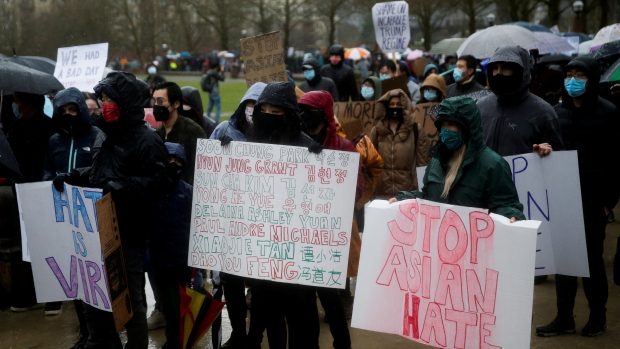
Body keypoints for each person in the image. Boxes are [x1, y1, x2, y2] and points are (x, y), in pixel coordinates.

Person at [56, 71, 169, 349]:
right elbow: (100, 173)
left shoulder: (148, 140)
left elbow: (158, 185)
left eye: (109, 98)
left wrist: (119, 187)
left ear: (125, 102)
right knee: (99, 299)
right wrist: (75, 175)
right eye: (102, 98)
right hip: (98, 230)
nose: (104, 103)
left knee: (130, 301)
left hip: (129, 234)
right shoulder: (105, 136)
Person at [536, 56, 620, 338]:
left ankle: (598, 317)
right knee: (564, 261)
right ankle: (564, 317)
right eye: (569, 74)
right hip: (562, 197)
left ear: (592, 79)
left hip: (593, 200)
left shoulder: (609, 113)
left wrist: (609, 201)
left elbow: (616, 161)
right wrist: (542, 149)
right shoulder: (556, 113)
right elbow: (548, 147)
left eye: (579, 75)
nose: (572, 80)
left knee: (593, 262)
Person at [245, 82, 321, 349]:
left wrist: (318, 163)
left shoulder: (307, 147)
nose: (267, 114)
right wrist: (228, 156)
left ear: (287, 114)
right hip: (264, 259)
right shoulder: (250, 146)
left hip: (296, 259)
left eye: (274, 111)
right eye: (263, 109)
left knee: (301, 323)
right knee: (270, 320)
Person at [299, 90, 364, 349]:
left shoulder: (344, 148)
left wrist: (326, 165)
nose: (304, 116)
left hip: (328, 239)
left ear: (324, 114)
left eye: (309, 111)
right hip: (302, 236)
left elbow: (356, 191)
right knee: (306, 306)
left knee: (332, 302)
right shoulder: (295, 145)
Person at [391, 97, 525, 223]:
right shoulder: (436, 161)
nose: (445, 130)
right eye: (442, 125)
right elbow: (427, 197)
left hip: (474, 245)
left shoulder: (493, 165)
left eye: (450, 125)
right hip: (438, 243)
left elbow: (506, 205)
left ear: (467, 128)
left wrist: (511, 215)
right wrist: (404, 199)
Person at [42, 87, 105, 347]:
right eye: (63, 110)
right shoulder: (54, 140)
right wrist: (50, 180)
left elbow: (101, 168)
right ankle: (85, 333)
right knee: (75, 278)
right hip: (64, 217)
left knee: (96, 278)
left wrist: (77, 175)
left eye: (73, 109)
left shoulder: (97, 135)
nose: (68, 114)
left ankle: (102, 332)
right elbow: (46, 169)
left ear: (80, 110)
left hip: (91, 218)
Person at [208, 82, 267, 349]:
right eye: (250, 105)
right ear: (243, 105)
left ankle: (255, 336)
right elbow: (206, 168)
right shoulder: (224, 129)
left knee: (260, 284)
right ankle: (239, 333)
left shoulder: (273, 134)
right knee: (231, 281)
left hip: (261, 222)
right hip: (231, 220)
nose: (253, 111)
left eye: (259, 106)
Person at [7, 92, 52, 313]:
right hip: (22, 189)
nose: (17, 106)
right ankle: (31, 293)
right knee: (26, 243)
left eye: (20, 102)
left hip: (42, 189)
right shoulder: (16, 128)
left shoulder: (47, 127)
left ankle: (51, 294)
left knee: (44, 240)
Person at [477, 46, 563, 157]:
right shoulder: (481, 107)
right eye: (495, 68)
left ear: (521, 71)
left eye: (505, 68)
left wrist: (545, 153)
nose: (498, 73)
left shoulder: (543, 112)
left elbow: (558, 159)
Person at [149, 142, 193, 349]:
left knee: (178, 305)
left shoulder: (188, 192)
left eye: (178, 161)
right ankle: (172, 338)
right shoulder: (150, 189)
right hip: (157, 259)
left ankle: (176, 341)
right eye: (169, 160)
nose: (173, 164)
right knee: (165, 304)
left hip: (180, 260)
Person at [153, 82, 206, 184]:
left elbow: (198, 170)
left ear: (176, 104)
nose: (155, 105)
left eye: (160, 101)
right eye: (154, 101)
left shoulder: (193, 131)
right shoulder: (158, 132)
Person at [370, 89, 419, 199]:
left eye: (398, 104)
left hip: (407, 194)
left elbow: (422, 162)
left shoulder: (415, 130)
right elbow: (371, 162)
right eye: (391, 104)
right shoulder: (377, 131)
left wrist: (418, 191)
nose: (395, 107)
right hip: (382, 193)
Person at [414, 73, 447, 167]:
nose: (428, 92)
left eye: (432, 89)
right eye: (426, 89)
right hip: (420, 157)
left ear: (439, 91)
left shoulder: (445, 108)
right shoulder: (417, 108)